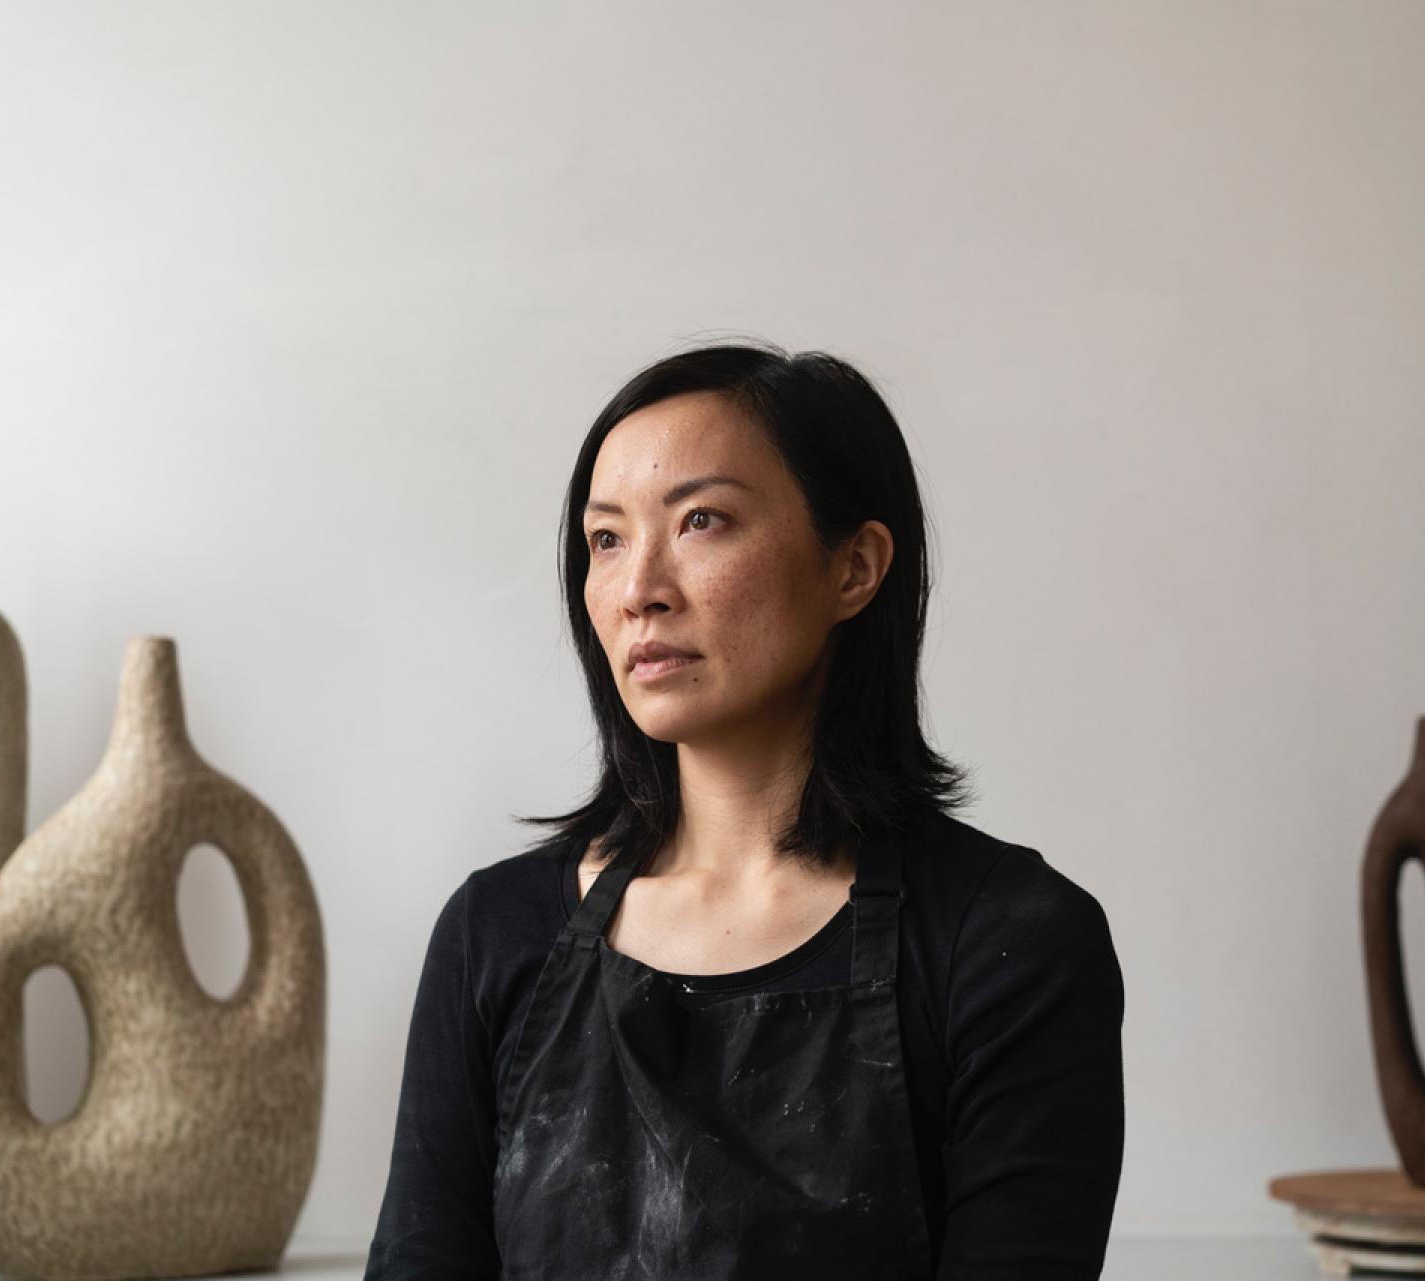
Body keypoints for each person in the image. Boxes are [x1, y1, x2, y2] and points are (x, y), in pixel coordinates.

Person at [364, 339, 1125, 1278]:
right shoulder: (494, 933)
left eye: (702, 521)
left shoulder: (1009, 944)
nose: (639, 590)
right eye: (607, 540)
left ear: (854, 567)